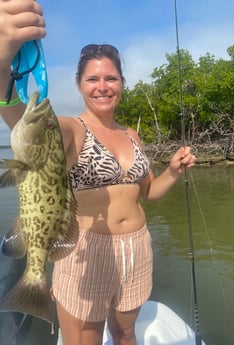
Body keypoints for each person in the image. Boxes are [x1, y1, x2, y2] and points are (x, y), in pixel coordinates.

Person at [0, 1, 196, 345]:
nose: (102, 86)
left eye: (111, 78)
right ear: (78, 84)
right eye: (92, 78)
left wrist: (174, 171)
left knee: (125, 333)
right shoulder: (68, 130)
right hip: (85, 250)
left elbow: (148, 192)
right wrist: (2, 64)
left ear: (121, 83)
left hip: (137, 248)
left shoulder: (131, 135)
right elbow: (19, 118)